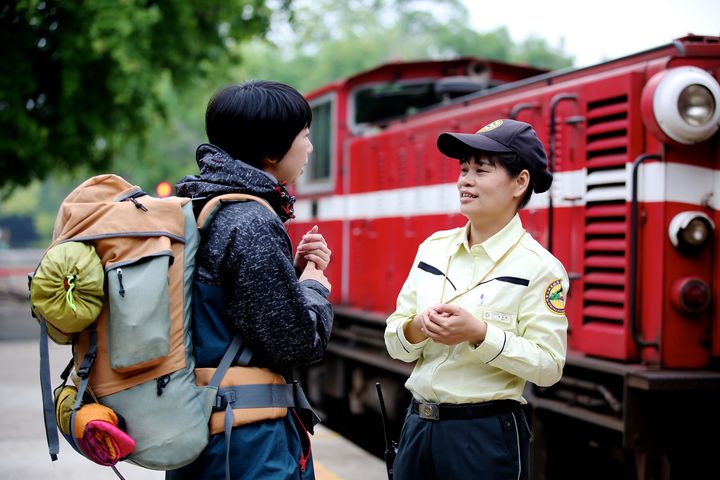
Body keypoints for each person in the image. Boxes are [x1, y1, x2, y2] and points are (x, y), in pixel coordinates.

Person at [166, 80, 333, 479]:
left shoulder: (195, 205)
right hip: (247, 446)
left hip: (198, 431)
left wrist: (286, 274)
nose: (310, 147)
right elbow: (296, 343)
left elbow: (222, 308)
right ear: (272, 150)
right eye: (305, 136)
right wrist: (313, 286)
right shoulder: (252, 220)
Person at [384, 119, 569, 480]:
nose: (464, 180)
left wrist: (480, 334)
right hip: (417, 427)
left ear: (520, 182)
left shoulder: (541, 269)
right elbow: (395, 343)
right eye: (464, 169)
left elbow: (549, 366)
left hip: (484, 435)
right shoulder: (432, 250)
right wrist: (417, 327)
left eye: (481, 170)